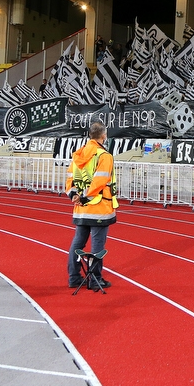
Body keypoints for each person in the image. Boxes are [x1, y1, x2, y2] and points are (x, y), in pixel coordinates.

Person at [66, 121, 118, 290]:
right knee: (97, 246)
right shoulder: (104, 156)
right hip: (99, 208)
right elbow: (100, 181)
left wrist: (74, 195)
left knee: (77, 244)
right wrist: (86, 197)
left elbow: (70, 179)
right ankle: (95, 279)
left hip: (81, 209)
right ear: (104, 136)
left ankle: (74, 277)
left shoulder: (78, 154)